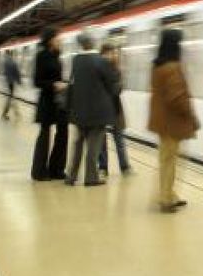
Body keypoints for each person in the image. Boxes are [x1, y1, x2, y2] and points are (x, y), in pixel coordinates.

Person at [147, 29, 199, 213]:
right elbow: (177, 98)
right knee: (170, 161)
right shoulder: (172, 67)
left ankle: (169, 193)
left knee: (166, 160)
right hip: (173, 123)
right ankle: (165, 199)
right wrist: (192, 117)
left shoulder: (157, 66)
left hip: (163, 122)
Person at [65, 31, 118, 187]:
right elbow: (112, 85)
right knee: (93, 147)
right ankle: (91, 177)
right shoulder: (101, 61)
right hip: (98, 112)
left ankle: (71, 176)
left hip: (79, 111)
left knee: (78, 145)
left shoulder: (76, 60)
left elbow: (71, 84)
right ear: (93, 42)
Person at [31, 27, 69, 181]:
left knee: (63, 134)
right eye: (58, 38)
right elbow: (37, 81)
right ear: (50, 40)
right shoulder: (41, 56)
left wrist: (63, 84)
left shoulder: (57, 56)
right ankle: (39, 172)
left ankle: (57, 169)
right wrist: (54, 84)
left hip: (59, 102)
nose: (60, 40)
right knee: (45, 136)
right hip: (47, 101)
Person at [97, 43, 132, 179]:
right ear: (103, 54)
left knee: (119, 140)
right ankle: (103, 168)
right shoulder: (98, 69)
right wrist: (114, 87)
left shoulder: (117, 70)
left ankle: (125, 167)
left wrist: (115, 87)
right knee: (101, 142)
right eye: (110, 53)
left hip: (115, 109)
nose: (113, 55)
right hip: (102, 109)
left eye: (114, 53)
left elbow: (117, 89)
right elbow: (112, 88)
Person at [2, 50, 21, 120]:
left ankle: (16, 112)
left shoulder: (5, 62)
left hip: (7, 82)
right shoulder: (13, 62)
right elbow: (17, 72)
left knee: (11, 97)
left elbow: (5, 72)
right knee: (11, 97)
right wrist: (19, 81)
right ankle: (5, 113)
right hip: (11, 83)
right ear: (11, 54)